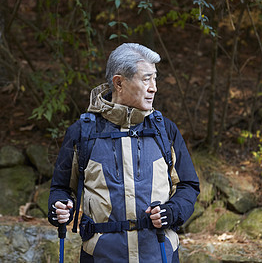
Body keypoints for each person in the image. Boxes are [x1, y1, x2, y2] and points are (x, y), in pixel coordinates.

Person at [48, 43, 200, 262]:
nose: (154, 87)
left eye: (154, 78)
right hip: (102, 256)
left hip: (159, 254)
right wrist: (59, 208)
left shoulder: (165, 130)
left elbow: (188, 186)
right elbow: (61, 189)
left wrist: (172, 212)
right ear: (119, 83)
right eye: (146, 79)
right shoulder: (83, 132)